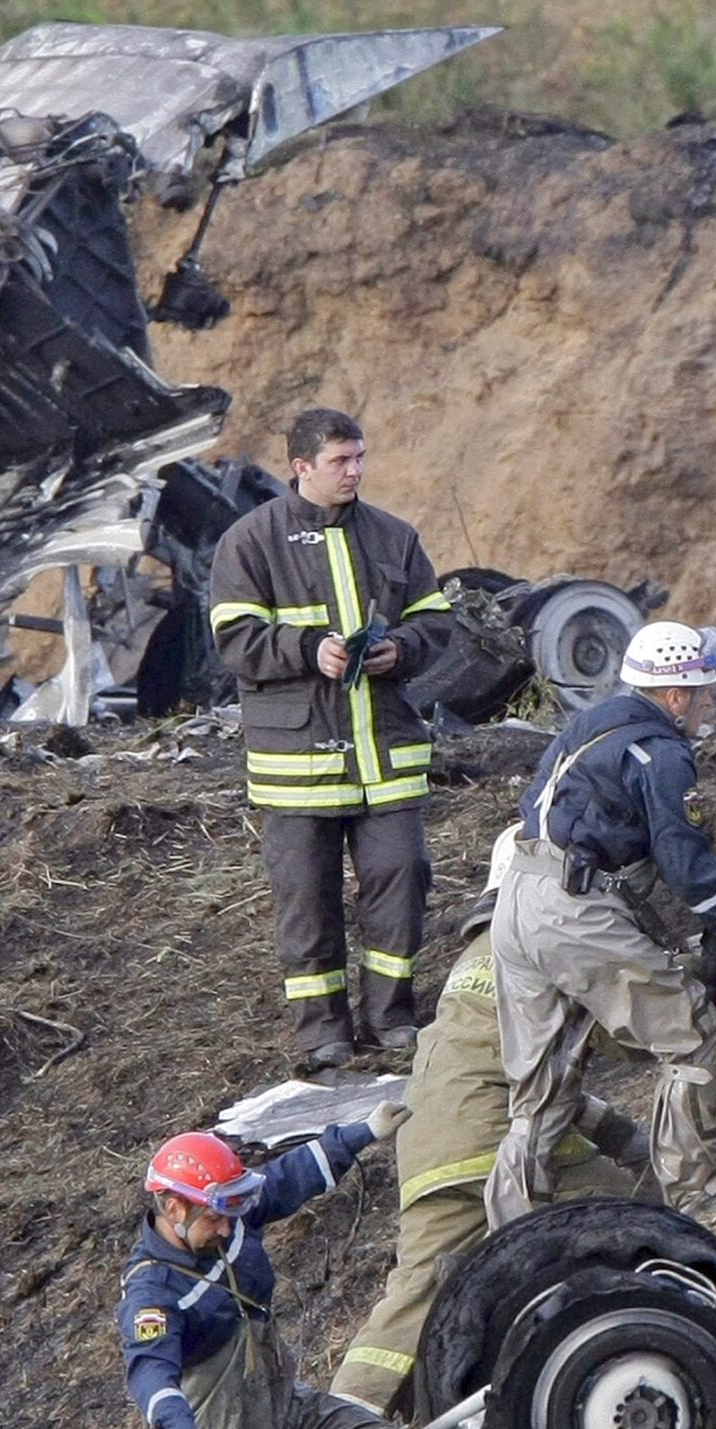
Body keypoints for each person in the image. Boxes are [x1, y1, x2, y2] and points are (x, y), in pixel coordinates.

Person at [484, 621, 716, 1227]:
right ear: (676, 694)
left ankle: (514, 1227)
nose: (708, 704)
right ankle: (697, 1185)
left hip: (517, 899)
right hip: (573, 912)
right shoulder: (661, 753)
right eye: (703, 692)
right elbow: (687, 867)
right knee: (689, 1028)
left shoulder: (592, 723)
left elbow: (537, 808)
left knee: (540, 1085)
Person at [328, 830, 651, 1418]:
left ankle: (342, 1426)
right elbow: (628, 1034)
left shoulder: (484, 953)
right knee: (635, 1214)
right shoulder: (541, 937)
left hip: (430, 1134)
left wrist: (629, 1139)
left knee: (414, 1292)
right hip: (487, 1132)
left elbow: (538, 1079)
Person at [210, 408, 455, 1071]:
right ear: (301, 467)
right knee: (307, 901)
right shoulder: (249, 542)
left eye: (360, 458)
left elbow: (437, 621)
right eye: (341, 461)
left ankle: (391, 1019)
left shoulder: (395, 537)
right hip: (297, 766)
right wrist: (306, 650)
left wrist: (399, 649)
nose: (355, 471)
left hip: (388, 761)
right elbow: (234, 638)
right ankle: (323, 1034)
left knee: (401, 880)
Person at [119, 1115, 407, 1429]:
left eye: (229, 1215)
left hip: (285, 1409)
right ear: (174, 1209)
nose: (225, 1228)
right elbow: (150, 1371)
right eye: (214, 1218)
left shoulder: (231, 1221)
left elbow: (289, 1177)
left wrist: (365, 1131)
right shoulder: (151, 1293)